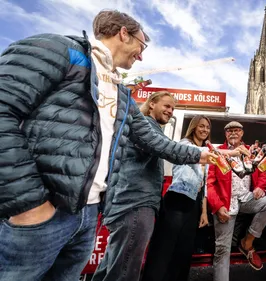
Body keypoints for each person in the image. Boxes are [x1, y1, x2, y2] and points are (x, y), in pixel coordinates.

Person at [0, 10, 214, 281]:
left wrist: (204, 154)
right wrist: (30, 202)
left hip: (87, 215)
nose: (142, 55)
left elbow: (154, 142)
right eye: (142, 44)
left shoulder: (121, 92)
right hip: (42, 213)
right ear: (123, 33)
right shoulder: (59, 50)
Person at [142, 116, 246, 281]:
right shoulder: (185, 145)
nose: (205, 130)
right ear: (193, 128)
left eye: (207, 127)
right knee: (163, 250)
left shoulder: (204, 149)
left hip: (193, 203)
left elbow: (203, 184)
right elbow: (204, 154)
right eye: (201, 126)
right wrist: (232, 152)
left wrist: (203, 211)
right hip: (176, 200)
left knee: (184, 252)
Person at [92, 91, 176, 281]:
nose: (170, 111)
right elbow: (169, 149)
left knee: (112, 266)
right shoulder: (146, 126)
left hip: (130, 203)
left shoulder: (148, 126)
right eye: (167, 106)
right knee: (126, 271)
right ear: (152, 104)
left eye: (173, 108)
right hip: (136, 204)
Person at [207, 121, 266, 281]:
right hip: (225, 203)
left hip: (246, 198)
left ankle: (247, 243)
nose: (233, 133)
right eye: (229, 131)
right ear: (225, 134)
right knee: (222, 250)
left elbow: (262, 172)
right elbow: (209, 184)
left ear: (242, 133)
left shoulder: (251, 151)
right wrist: (217, 207)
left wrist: (260, 187)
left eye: (237, 130)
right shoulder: (218, 152)